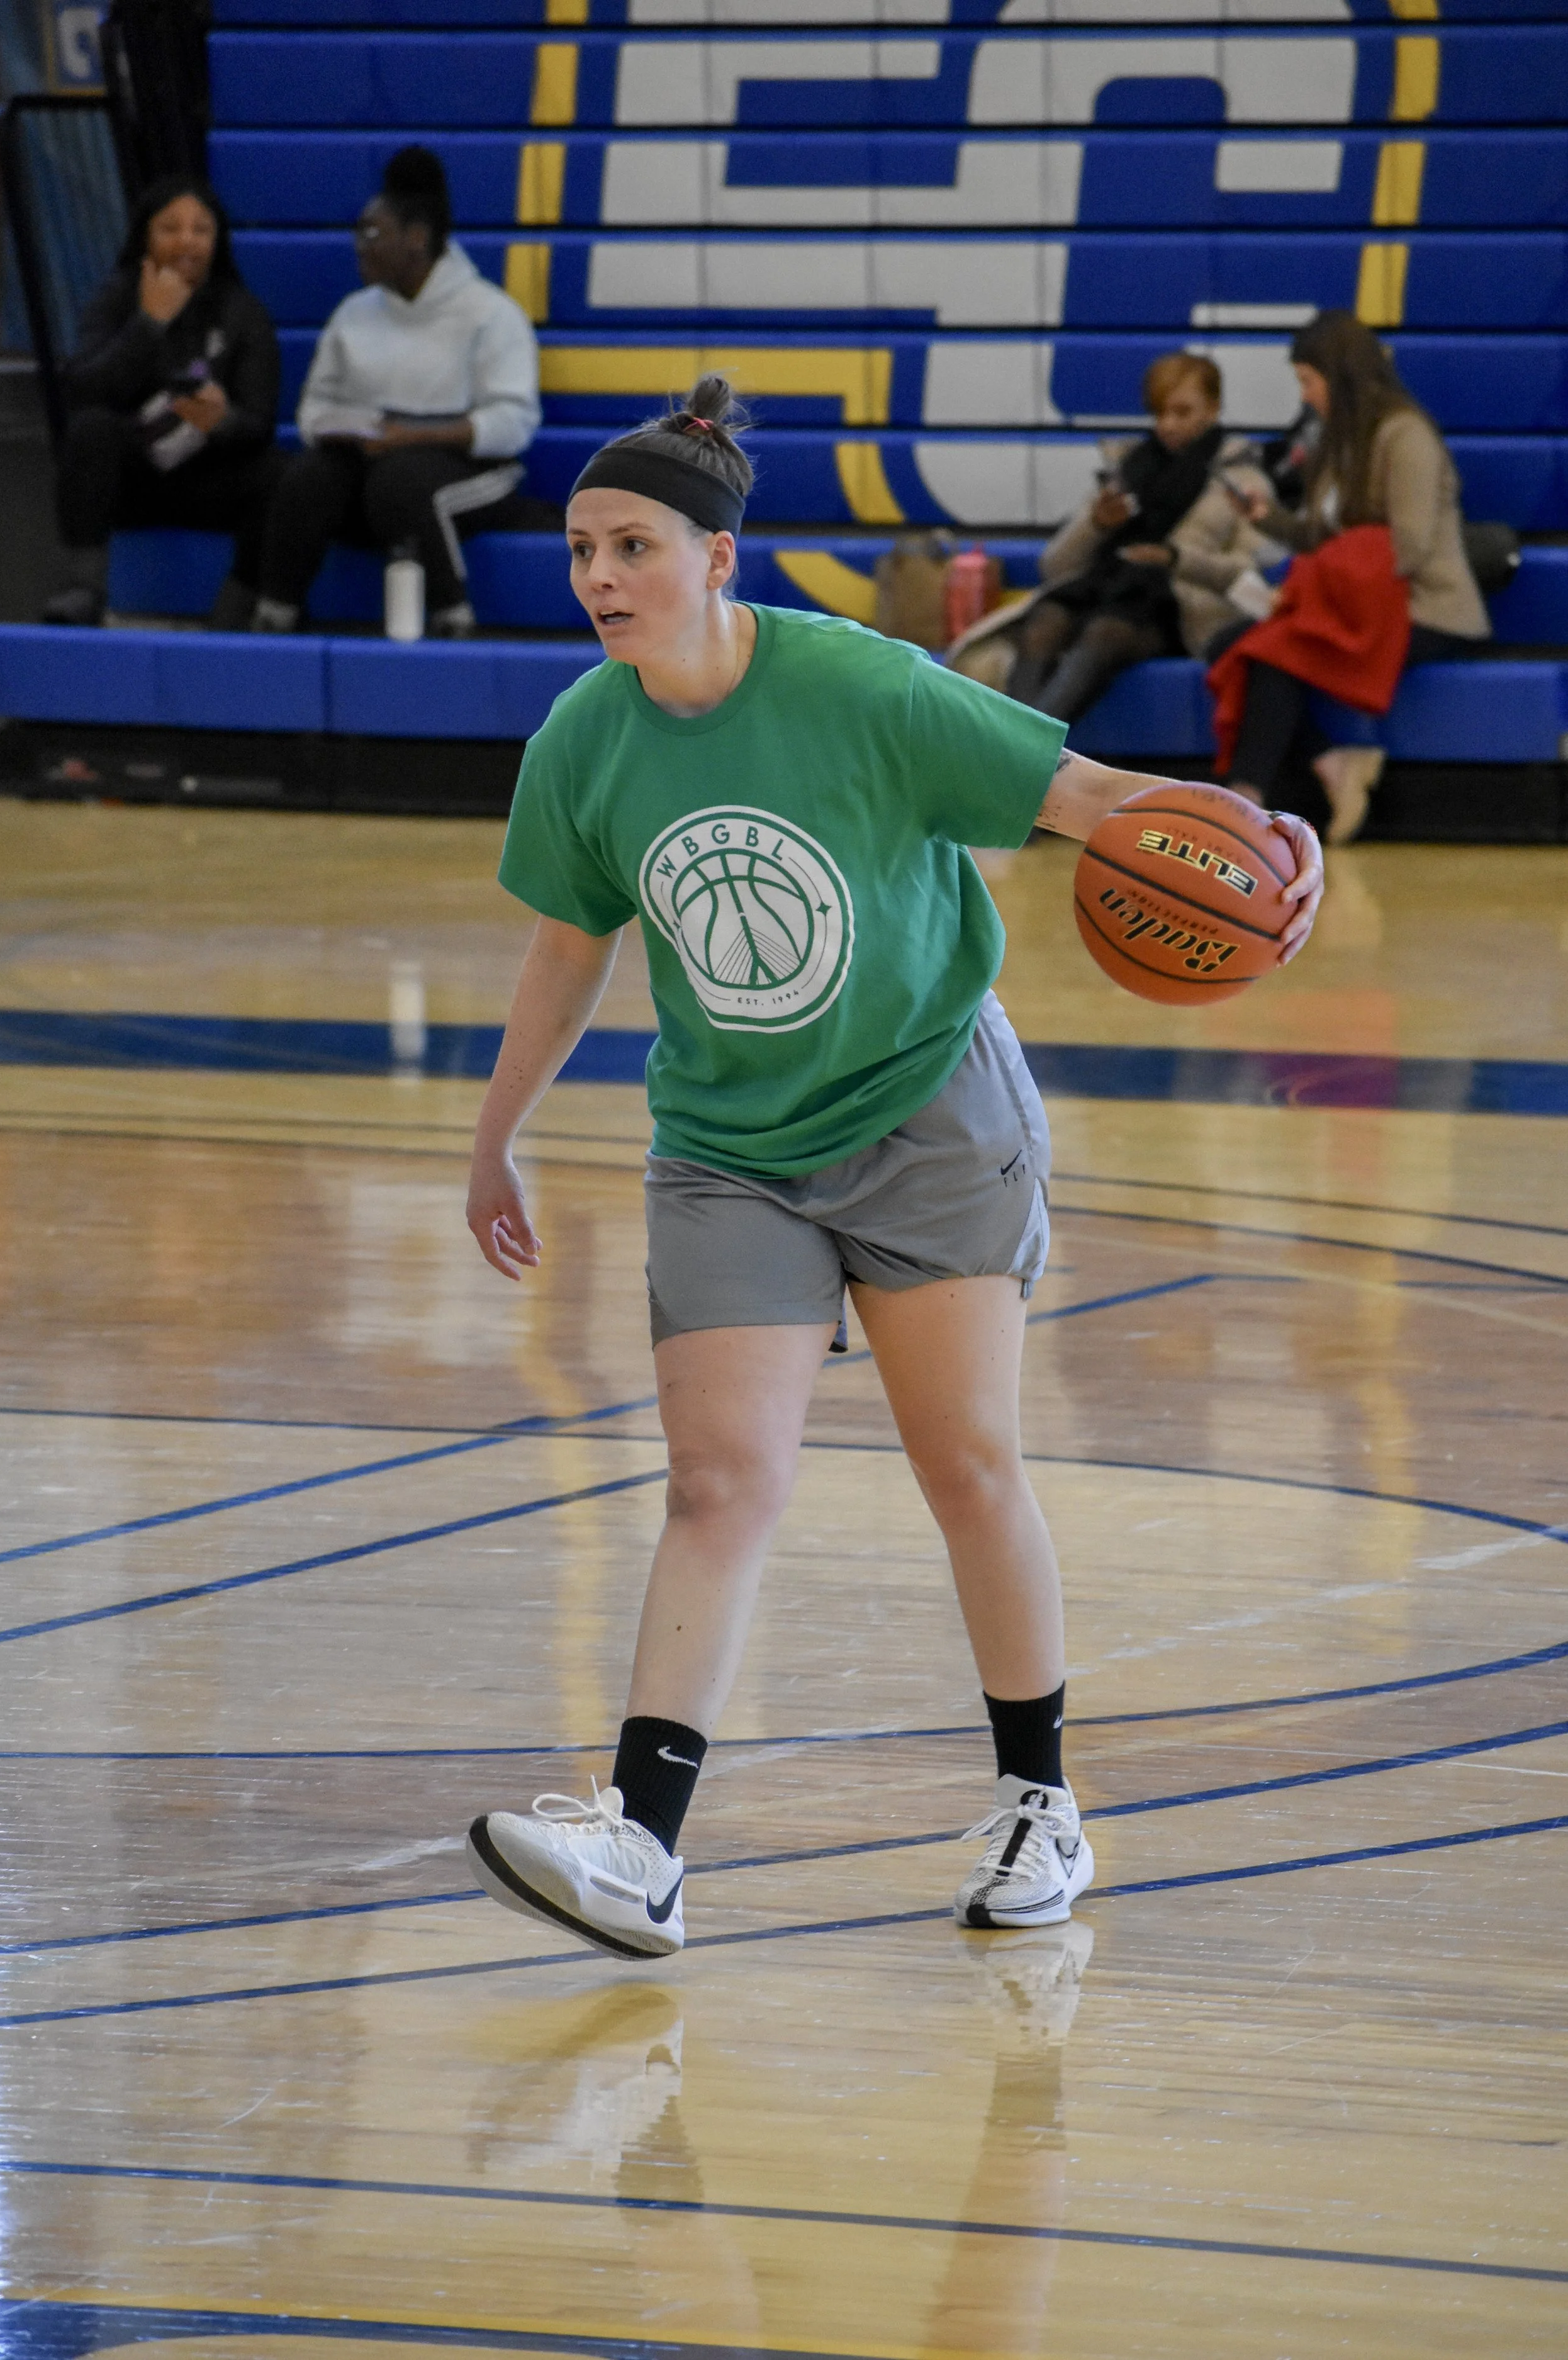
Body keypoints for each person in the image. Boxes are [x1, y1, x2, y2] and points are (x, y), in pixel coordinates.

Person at [458, 375, 1325, 1962]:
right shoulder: (584, 739)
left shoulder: (867, 687)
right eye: (581, 548)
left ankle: (1038, 1805)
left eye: (632, 545)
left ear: (720, 558)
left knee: (966, 1464)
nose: (597, 577)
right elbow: (569, 948)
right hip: (728, 1145)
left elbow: (1082, 803)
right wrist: (496, 1127)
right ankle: (643, 1842)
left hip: (928, 1110)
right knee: (721, 1478)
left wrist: (1257, 838)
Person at [252, 145, 555, 638]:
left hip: (471, 468)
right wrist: (343, 430)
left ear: (416, 239)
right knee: (306, 479)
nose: (360, 246)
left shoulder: (490, 313)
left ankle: (453, 617)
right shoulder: (354, 313)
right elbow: (313, 409)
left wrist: (410, 436)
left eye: (373, 234)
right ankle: (274, 617)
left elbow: (513, 423)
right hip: (372, 464)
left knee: (401, 483)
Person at [1218, 310, 1490, 843]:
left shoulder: (1406, 435)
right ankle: (1328, 761)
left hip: (1425, 608)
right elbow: (1327, 537)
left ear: (1339, 377)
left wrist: (1311, 590)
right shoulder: (1338, 443)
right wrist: (1267, 518)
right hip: (1357, 599)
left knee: (1272, 658)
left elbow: (1405, 549)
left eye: (1308, 381)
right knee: (1227, 645)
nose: (1305, 396)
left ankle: (1243, 803)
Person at [948, 355, 1274, 717]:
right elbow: (1054, 567)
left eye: (1182, 412)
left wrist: (1175, 559)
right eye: (1159, 412)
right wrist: (1097, 525)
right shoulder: (1131, 469)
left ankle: (1022, 753)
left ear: (1212, 409)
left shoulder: (1243, 483)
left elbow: (1253, 578)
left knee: (1106, 633)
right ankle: (1020, 748)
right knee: (1046, 623)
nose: (1167, 425)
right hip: (1104, 590)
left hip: (1177, 610)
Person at [43, 175, 281, 629]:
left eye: (201, 229)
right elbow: (82, 390)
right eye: (170, 228)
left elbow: (260, 421)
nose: (186, 241)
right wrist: (150, 323)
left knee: (282, 475)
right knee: (90, 431)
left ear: (218, 241)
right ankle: (82, 590)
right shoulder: (117, 296)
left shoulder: (243, 311)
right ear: (146, 237)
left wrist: (223, 420)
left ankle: (236, 610)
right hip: (131, 478)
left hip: (207, 476)